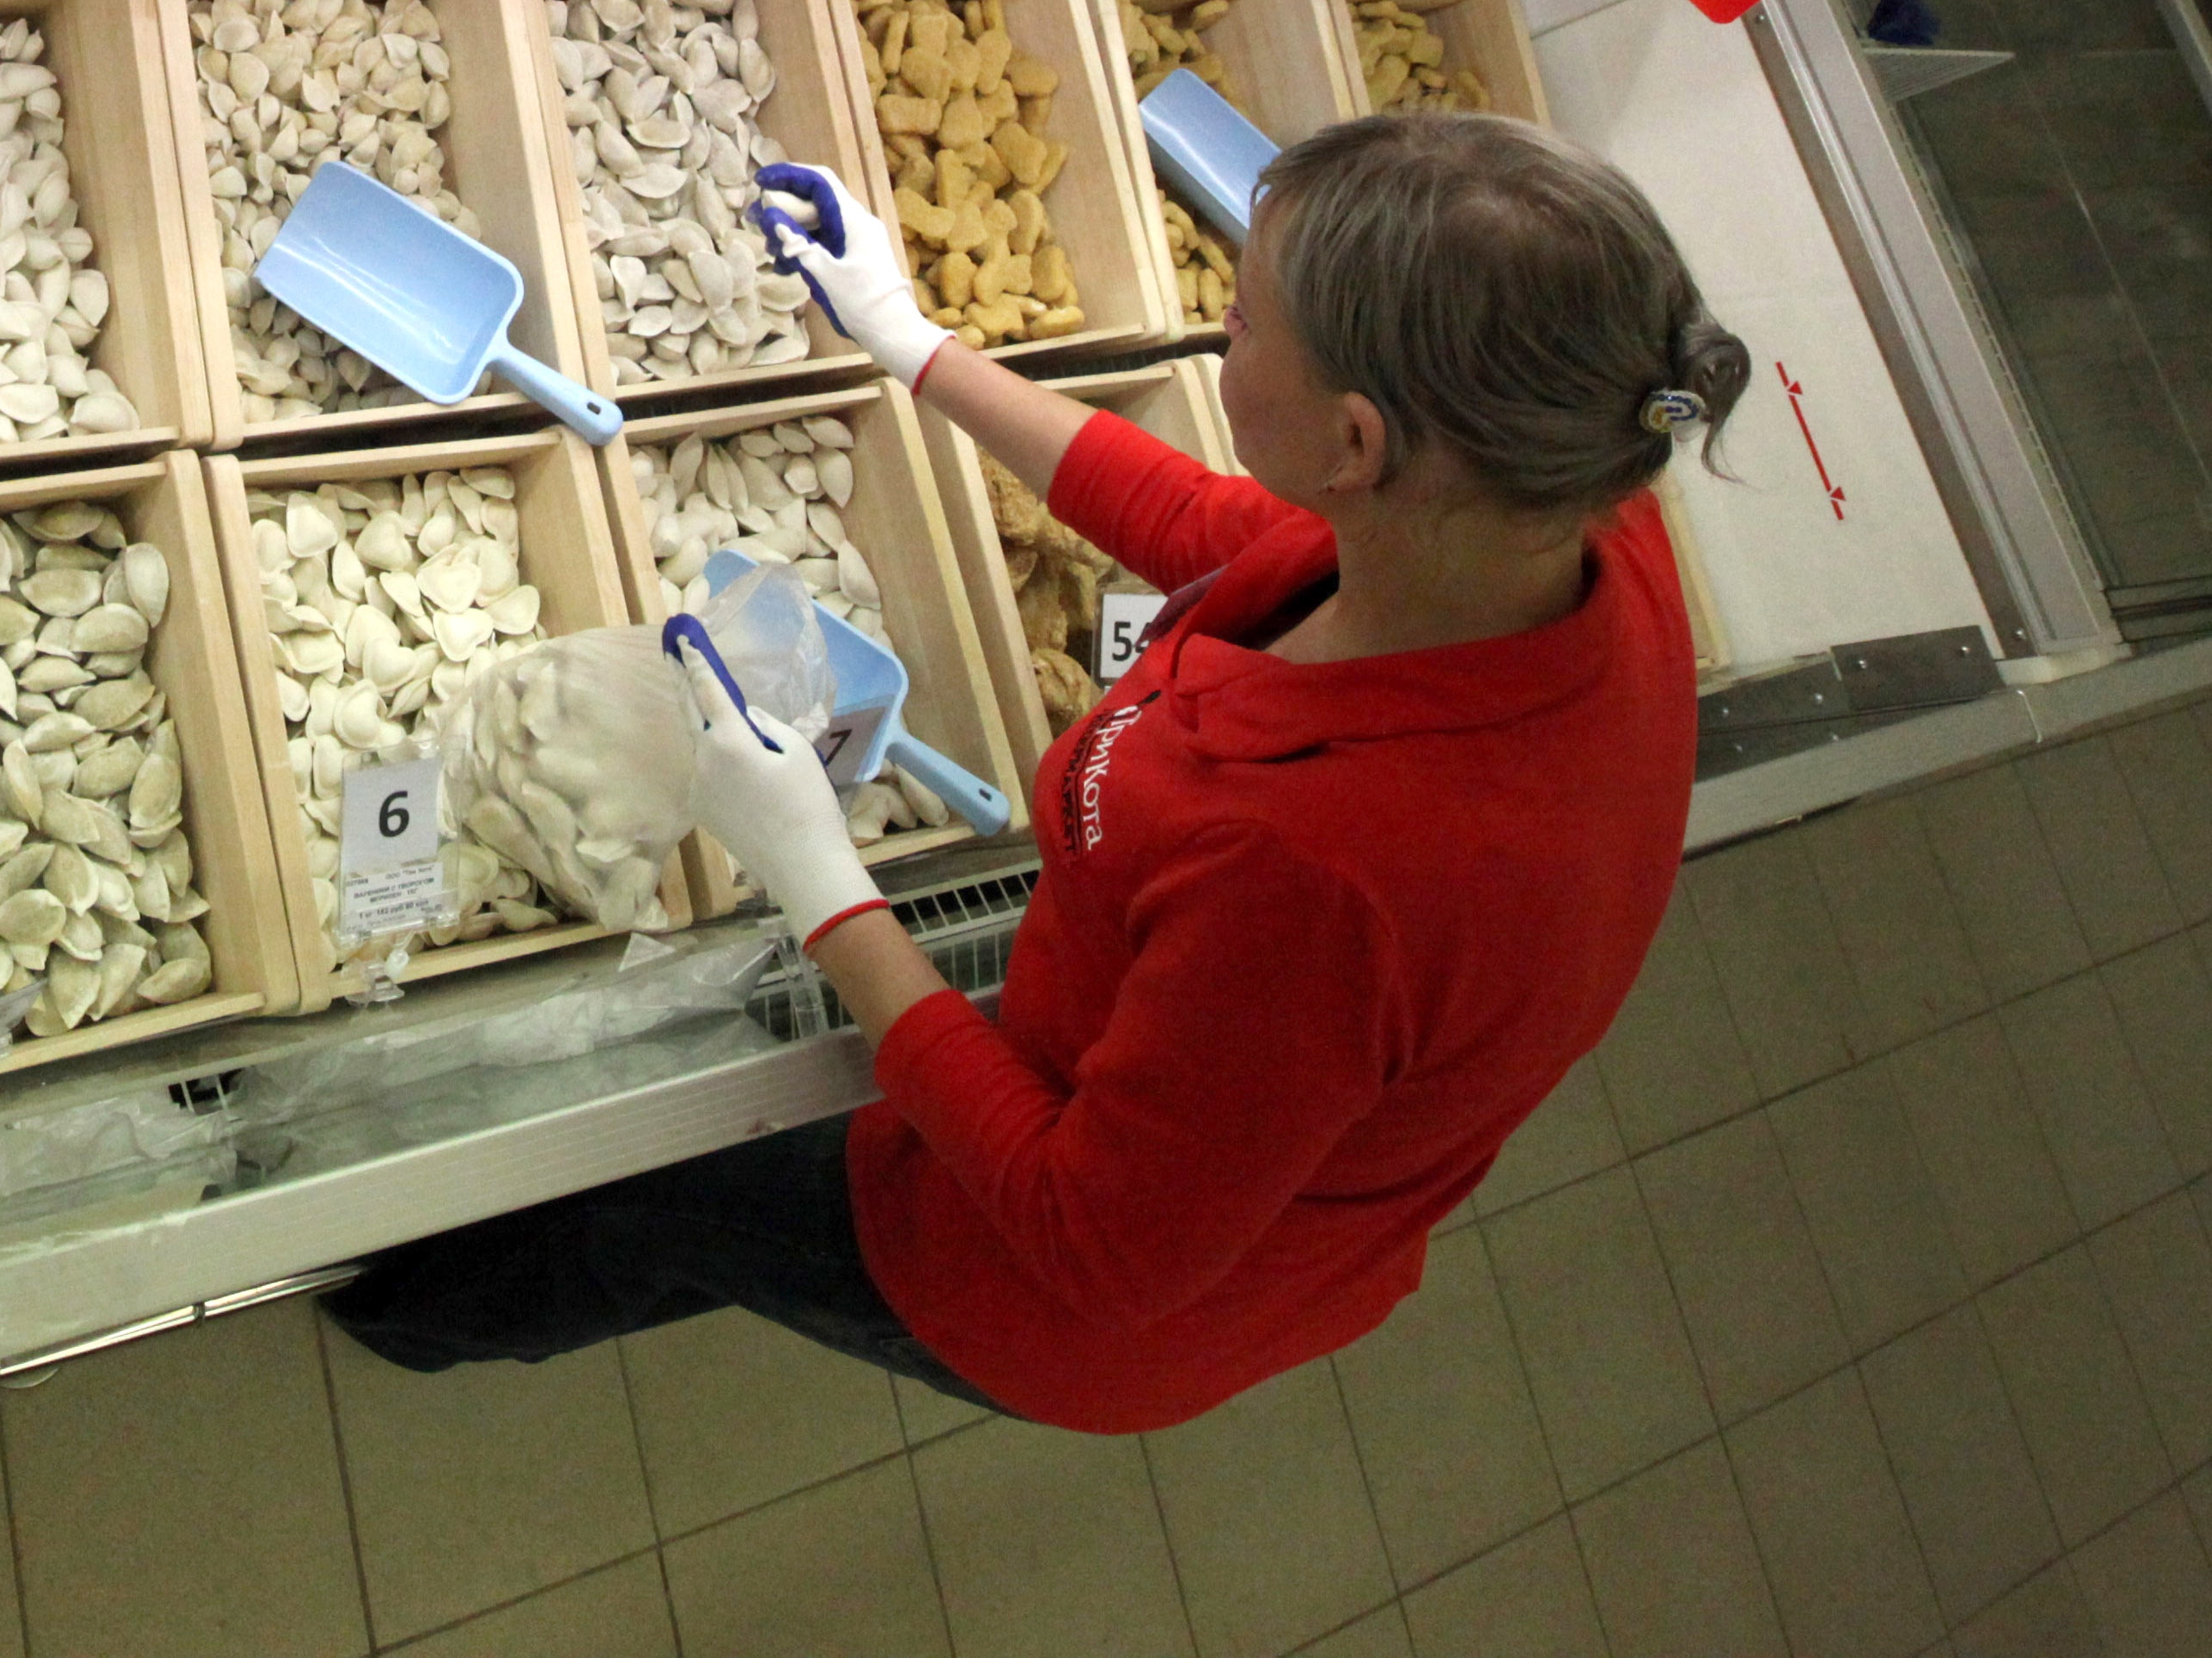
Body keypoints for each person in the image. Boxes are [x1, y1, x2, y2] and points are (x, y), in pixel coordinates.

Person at [329, 112, 1749, 1433]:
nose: (1220, 322)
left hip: (1044, 1274)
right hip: (1194, 1091)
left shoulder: (1329, 871)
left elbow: (1092, 1235)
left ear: (1359, 441)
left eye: (1248, 318)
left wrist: (822, 881)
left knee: (666, 1211)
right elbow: (1226, 528)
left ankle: (397, 1310)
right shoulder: (1560, 506)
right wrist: (916, 345)